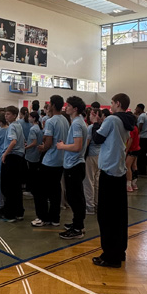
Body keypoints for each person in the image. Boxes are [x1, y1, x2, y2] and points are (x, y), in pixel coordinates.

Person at [91, 93, 136, 268]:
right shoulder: (127, 121)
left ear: (118, 103)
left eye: (111, 103)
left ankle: (110, 256)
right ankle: (119, 251)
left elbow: (97, 139)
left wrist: (95, 123)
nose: (110, 106)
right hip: (119, 171)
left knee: (106, 216)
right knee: (119, 216)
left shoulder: (112, 120)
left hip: (109, 171)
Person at [32, 95, 69, 228]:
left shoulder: (51, 121)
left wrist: (42, 148)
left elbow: (48, 142)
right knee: (55, 190)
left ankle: (42, 217)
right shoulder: (65, 120)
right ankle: (55, 218)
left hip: (50, 160)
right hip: (61, 159)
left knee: (40, 190)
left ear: (52, 105)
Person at [56, 96, 88, 239]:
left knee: (75, 197)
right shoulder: (78, 122)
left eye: (68, 105)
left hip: (74, 165)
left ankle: (78, 228)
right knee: (75, 196)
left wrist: (62, 146)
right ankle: (77, 223)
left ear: (75, 108)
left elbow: (77, 146)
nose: (66, 107)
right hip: (75, 163)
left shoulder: (76, 124)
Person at [0, 106, 26, 222]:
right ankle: (19, 212)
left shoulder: (12, 127)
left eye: (8, 114)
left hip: (12, 157)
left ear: (15, 115)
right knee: (16, 187)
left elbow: (13, 141)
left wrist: (5, 154)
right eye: (5, 114)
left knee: (8, 187)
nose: (6, 116)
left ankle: (9, 214)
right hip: (19, 158)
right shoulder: (18, 125)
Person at [84, 107, 107, 213]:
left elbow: (87, 143)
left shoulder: (91, 128)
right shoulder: (103, 126)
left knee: (89, 182)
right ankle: (97, 203)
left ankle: (90, 206)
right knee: (97, 181)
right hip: (100, 156)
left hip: (91, 156)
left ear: (93, 115)